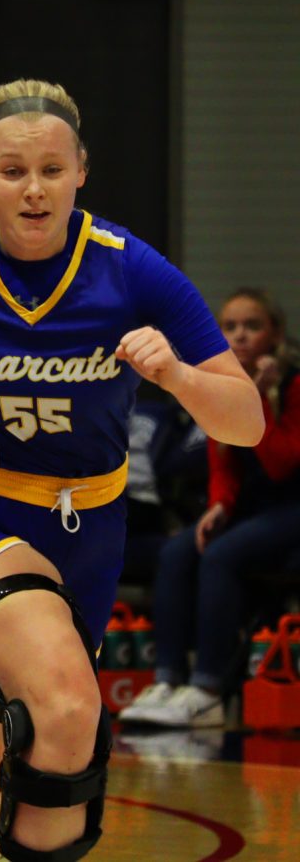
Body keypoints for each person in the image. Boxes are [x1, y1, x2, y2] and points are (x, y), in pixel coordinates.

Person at [0, 80, 263, 860]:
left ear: (82, 169)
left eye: (52, 168)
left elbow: (244, 420)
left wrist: (179, 377)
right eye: (12, 170)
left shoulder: (130, 269)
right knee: (69, 709)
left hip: (90, 529)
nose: (34, 188)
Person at [120, 288, 300, 728]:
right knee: (178, 551)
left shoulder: (293, 383)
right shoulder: (228, 380)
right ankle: (167, 678)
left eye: (252, 326)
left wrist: (261, 401)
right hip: (248, 508)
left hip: (291, 505)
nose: (240, 336)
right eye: (231, 327)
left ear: (275, 333)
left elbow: (280, 464)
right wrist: (219, 504)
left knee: (221, 556)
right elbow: (223, 455)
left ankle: (207, 688)